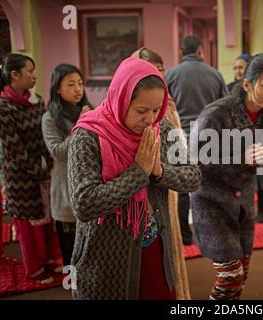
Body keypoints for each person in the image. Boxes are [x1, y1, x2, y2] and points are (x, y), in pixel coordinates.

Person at [68, 57, 201, 300]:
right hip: (106, 259)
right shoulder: (88, 136)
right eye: (141, 110)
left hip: (154, 250)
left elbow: (193, 177)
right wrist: (138, 173)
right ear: (121, 100)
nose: (150, 118)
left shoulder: (163, 128)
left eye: (156, 109)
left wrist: (159, 171)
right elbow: (84, 203)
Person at [190, 53, 263, 299]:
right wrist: (242, 157)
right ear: (246, 85)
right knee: (230, 276)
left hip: (242, 202)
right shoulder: (216, 113)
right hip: (212, 201)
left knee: (241, 274)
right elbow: (194, 159)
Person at [131, 46, 192, 300]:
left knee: (167, 253)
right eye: (150, 70)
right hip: (132, 207)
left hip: (164, 191)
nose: (158, 75)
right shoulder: (122, 115)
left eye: (160, 70)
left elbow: (184, 163)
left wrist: (161, 171)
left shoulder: (167, 109)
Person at [0, 53, 61, 282]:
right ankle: (35, 268)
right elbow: (13, 148)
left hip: (43, 169)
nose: (34, 76)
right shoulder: (4, 107)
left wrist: (48, 165)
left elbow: (46, 133)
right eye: (29, 71)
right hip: (21, 177)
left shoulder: (37, 100)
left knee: (49, 219)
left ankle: (52, 260)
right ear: (15, 75)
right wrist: (36, 170)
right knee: (29, 226)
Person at [165, 35, 228, 245]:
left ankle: (185, 235)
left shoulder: (170, 75)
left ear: (182, 53)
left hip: (179, 136)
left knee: (183, 188)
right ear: (201, 51)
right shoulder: (216, 75)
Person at [42, 64, 92, 267]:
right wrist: (81, 125)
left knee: (91, 250)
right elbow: (58, 152)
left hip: (89, 185)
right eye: (70, 84)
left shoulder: (88, 110)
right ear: (57, 88)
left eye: (80, 83)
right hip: (65, 190)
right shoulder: (50, 118)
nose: (78, 89)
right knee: (71, 253)